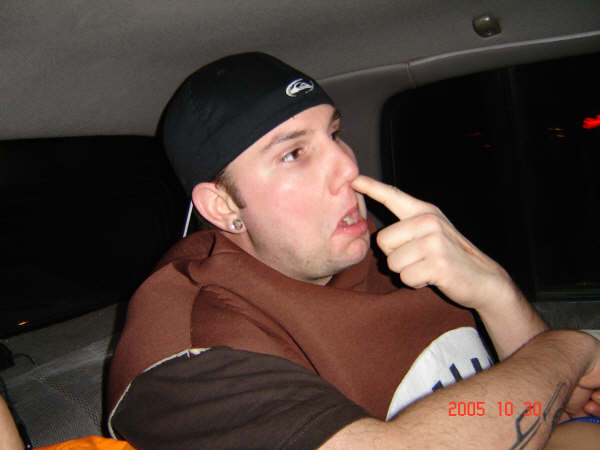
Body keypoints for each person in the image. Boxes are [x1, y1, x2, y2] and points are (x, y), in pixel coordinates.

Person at [107, 52, 600, 449]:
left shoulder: (386, 252)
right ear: (223, 205)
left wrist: (495, 293)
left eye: (335, 134)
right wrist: (568, 348)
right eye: (293, 153)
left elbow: (551, 406)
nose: (347, 166)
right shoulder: (188, 349)